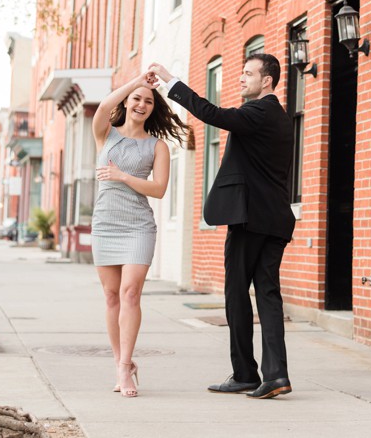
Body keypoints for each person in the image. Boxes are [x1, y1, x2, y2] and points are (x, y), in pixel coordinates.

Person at [148, 54, 296, 399]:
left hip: (251, 219)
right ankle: (276, 375)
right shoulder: (281, 117)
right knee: (269, 296)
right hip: (275, 219)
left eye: (248, 73)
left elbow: (211, 114)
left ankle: (245, 372)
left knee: (236, 293)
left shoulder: (258, 112)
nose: (241, 79)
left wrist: (170, 81)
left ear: (268, 80)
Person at [91, 72, 189, 397]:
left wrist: (122, 176)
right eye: (137, 98)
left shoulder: (156, 146)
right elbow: (105, 105)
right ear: (127, 101)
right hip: (105, 223)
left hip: (138, 226)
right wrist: (136, 81)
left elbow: (159, 190)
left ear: (153, 108)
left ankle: (125, 366)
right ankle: (121, 361)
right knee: (110, 296)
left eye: (148, 101)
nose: (142, 104)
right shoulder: (105, 134)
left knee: (130, 293)